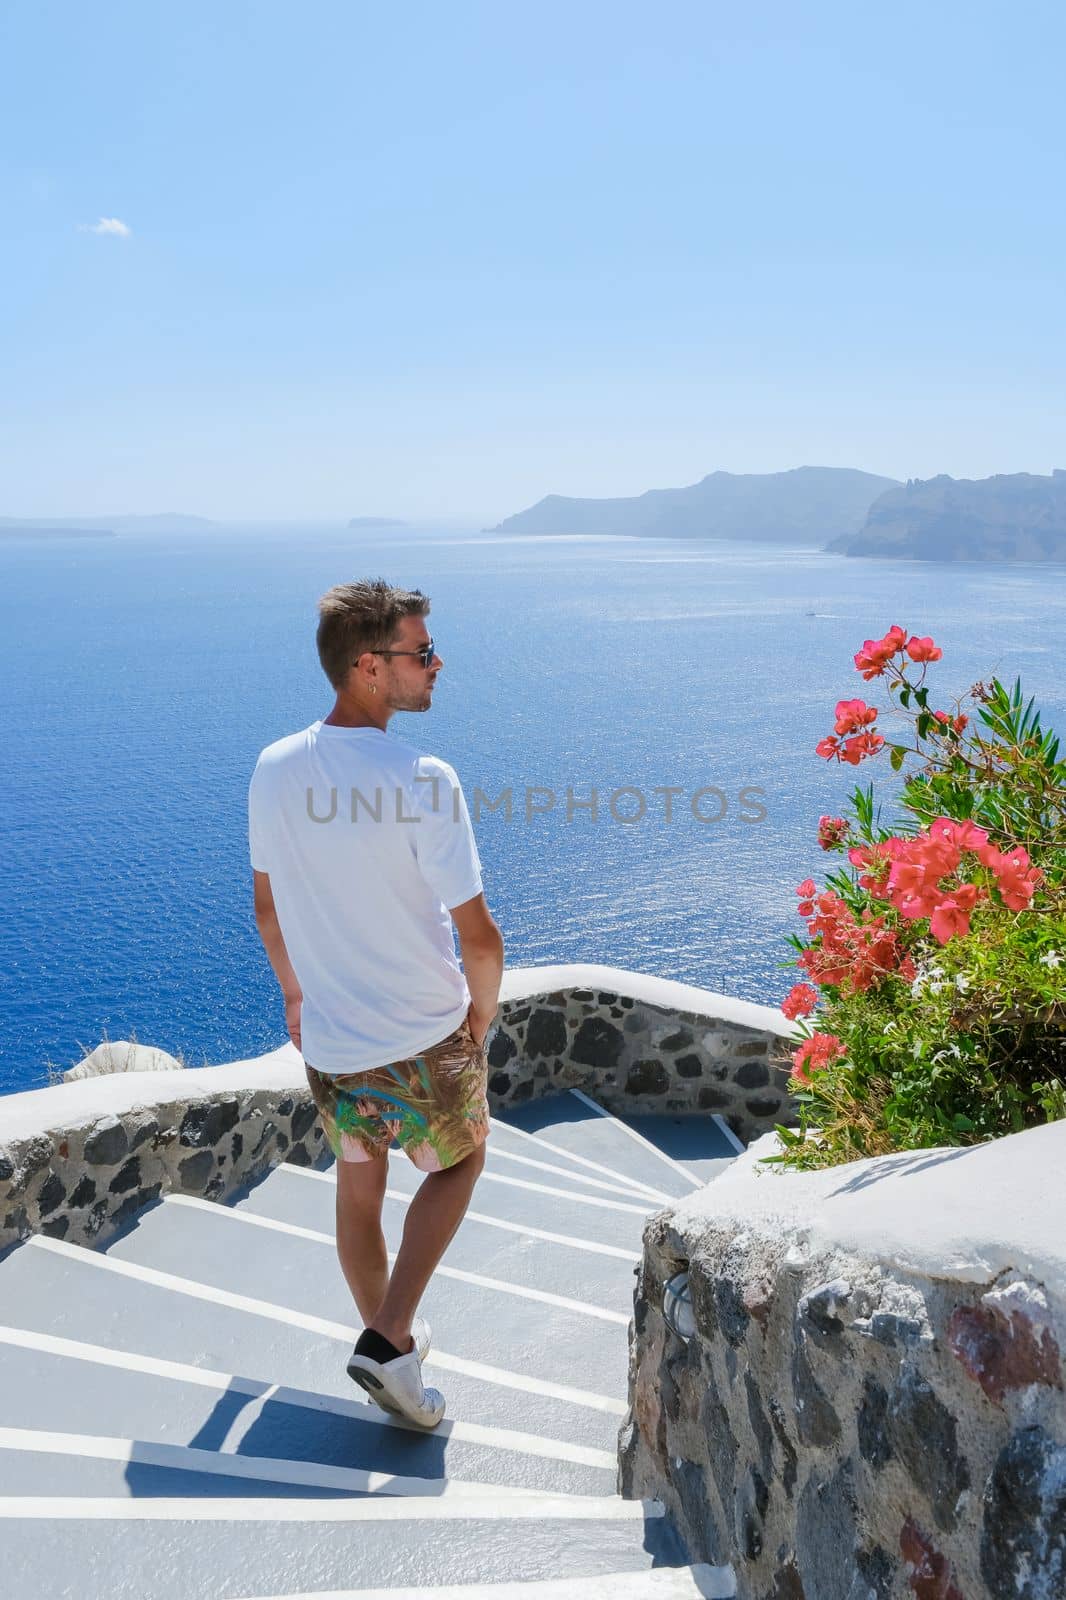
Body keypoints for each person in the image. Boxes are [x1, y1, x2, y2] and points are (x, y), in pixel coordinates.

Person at [248, 578, 504, 1429]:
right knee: (461, 1162)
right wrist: (480, 1019)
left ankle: (386, 1337)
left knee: (361, 1181)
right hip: (426, 1030)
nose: (438, 664)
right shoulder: (426, 777)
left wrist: (295, 997)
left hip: (332, 1036)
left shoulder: (275, 767)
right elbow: (479, 936)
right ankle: (390, 1338)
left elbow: (268, 907)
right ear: (368, 666)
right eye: (421, 652)